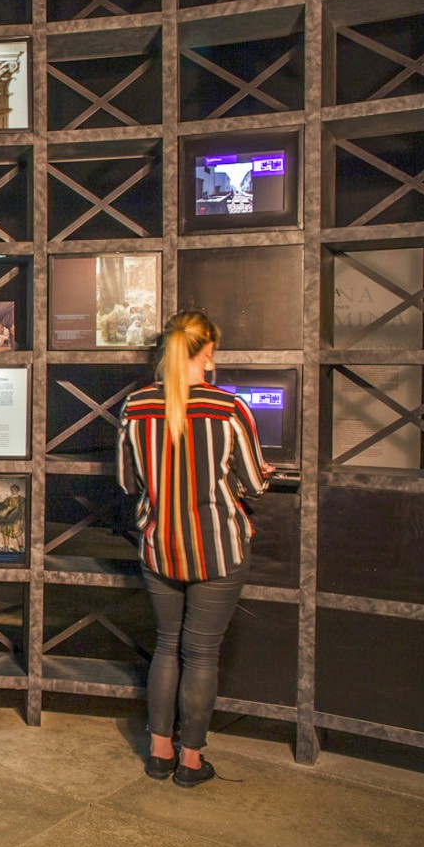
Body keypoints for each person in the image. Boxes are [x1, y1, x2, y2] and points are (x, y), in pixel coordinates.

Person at [117, 311, 272, 788]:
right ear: (208, 352)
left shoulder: (135, 407)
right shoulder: (229, 409)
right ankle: (190, 761)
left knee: (166, 645)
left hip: (159, 545)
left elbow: (126, 481)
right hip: (218, 548)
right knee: (201, 654)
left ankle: (158, 753)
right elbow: (256, 483)